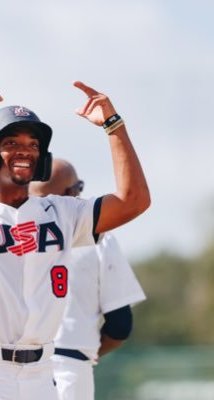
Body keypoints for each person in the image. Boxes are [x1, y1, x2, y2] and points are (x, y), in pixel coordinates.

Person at [0, 72, 150, 400]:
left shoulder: (62, 213)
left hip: (41, 373)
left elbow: (134, 200)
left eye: (33, 144)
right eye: (12, 143)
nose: (26, 150)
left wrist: (113, 125)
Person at [30, 158, 147, 400]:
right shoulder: (100, 239)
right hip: (70, 368)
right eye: (79, 187)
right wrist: (92, 352)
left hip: (9, 369)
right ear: (71, 194)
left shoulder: (6, 234)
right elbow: (120, 325)